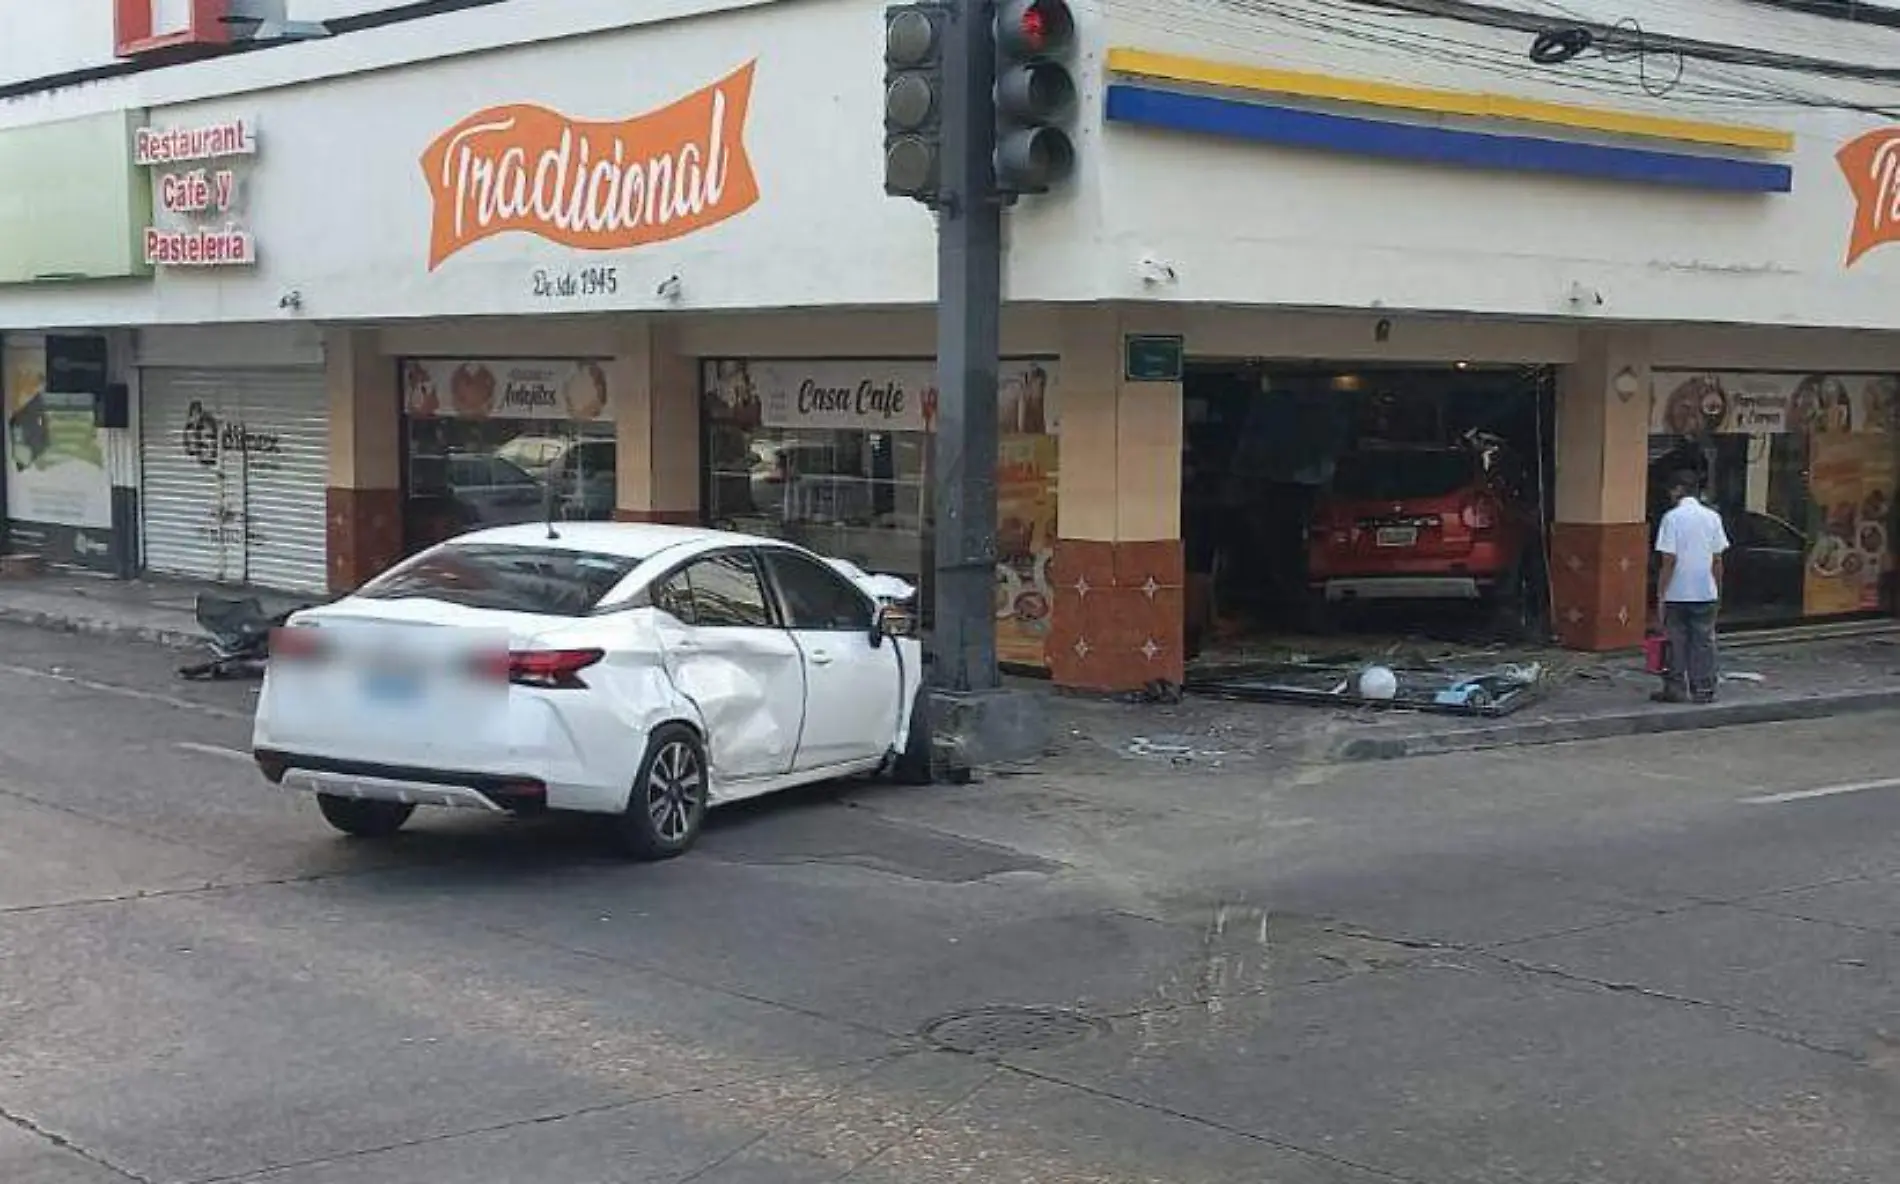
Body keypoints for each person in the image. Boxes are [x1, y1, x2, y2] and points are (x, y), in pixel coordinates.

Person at [1653, 470, 1728, 704]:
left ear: (1677, 490)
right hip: (1705, 592)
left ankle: (1675, 689)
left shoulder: (1671, 518)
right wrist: (1717, 589)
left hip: (1678, 592)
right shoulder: (1712, 517)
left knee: (1676, 641)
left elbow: (1668, 561)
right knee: (1704, 642)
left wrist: (1661, 594)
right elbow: (1717, 560)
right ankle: (1704, 689)